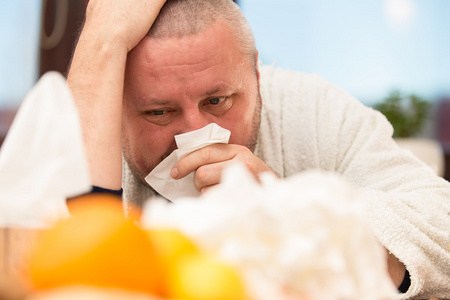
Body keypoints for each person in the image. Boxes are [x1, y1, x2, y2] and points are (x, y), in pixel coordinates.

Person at [67, 0, 450, 298]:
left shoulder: (311, 108)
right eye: (159, 112)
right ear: (117, 102)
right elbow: (50, 262)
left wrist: (287, 209)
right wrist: (98, 46)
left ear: (256, 76)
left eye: (218, 101)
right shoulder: (93, 120)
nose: (196, 135)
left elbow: (441, 225)